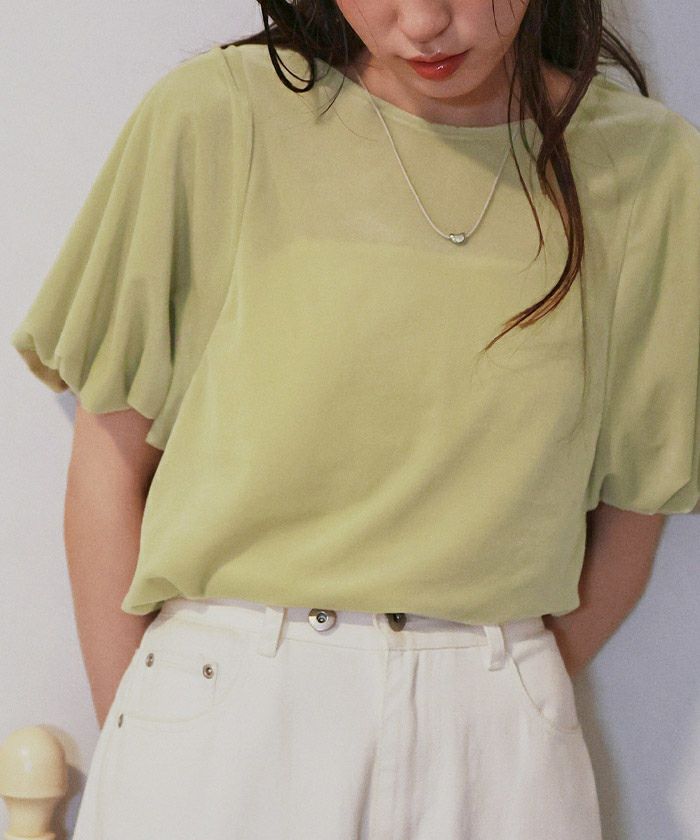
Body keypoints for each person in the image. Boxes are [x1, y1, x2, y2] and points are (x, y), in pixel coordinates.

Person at [9, 1, 700, 837]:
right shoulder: (219, 114)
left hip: (496, 731)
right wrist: (151, 737)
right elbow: (108, 464)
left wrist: (493, 688)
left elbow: (634, 513)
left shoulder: (646, 165)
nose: (424, 23)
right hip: (229, 709)